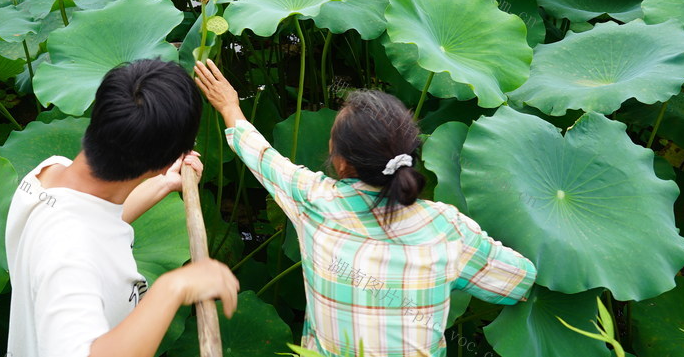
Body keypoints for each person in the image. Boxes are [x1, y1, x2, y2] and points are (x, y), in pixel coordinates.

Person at [193, 59, 536, 357]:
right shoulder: (447, 228)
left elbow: (263, 158)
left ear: (341, 164)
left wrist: (229, 106)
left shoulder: (315, 203)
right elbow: (518, 282)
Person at [5, 58, 239, 357]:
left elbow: (94, 222)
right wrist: (174, 287)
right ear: (166, 160)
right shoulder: (68, 258)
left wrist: (162, 183)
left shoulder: (47, 177)